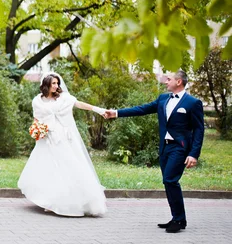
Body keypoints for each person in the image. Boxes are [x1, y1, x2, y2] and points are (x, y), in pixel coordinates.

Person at [105, 70, 204, 233]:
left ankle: (179, 220)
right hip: (165, 147)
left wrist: (194, 154)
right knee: (168, 181)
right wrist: (116, 113)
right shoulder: (163, 99)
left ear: (179, 82)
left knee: (170, 180)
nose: (165, 81)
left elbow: (199, 130)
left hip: (179, 148)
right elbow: (142, 109)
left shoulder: (193, 103)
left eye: (169, 79)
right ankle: (177, 218)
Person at [18, 72, 108, 217]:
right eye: (53, 83)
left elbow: (78, 104)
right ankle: (50, 201)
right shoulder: (37, 101)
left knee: (67, 165)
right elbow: (36, 118)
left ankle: (74, 200)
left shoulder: (64, 98)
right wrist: (37, 132)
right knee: (50, 169)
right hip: (47, 138)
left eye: (57, 83)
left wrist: (98, 110)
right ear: (46, 84)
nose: (56, 86)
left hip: (63, 137)